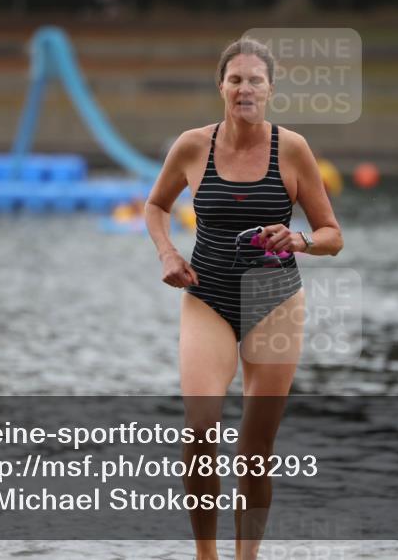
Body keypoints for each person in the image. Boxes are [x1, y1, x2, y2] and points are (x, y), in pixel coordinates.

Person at [144, 37, 342, 560]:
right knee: (200, 429)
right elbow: (155, 206)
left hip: (274, 299)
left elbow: (331, 235)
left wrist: (298, 239)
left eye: (255, 80)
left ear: (270, 90)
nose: (245, 88)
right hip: (206, 294)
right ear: (221, 88)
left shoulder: (292, 148)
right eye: (236, 79)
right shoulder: (192, 146)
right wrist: (167, 254)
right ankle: (206, 557)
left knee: (255, 451)